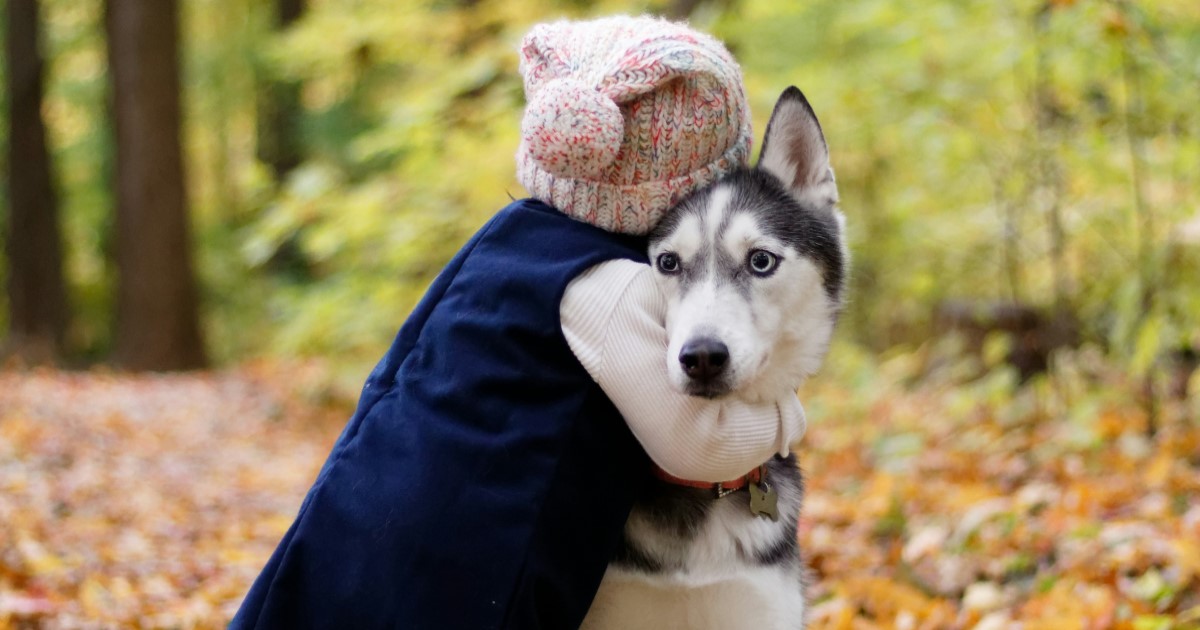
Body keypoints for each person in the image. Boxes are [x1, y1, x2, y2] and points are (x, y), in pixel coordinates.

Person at [230, 15, 805, 630]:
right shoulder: (612, 286)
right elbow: (700, 446)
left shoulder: (507, 237)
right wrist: (787, 416)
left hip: (371, 512)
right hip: (469, 554)